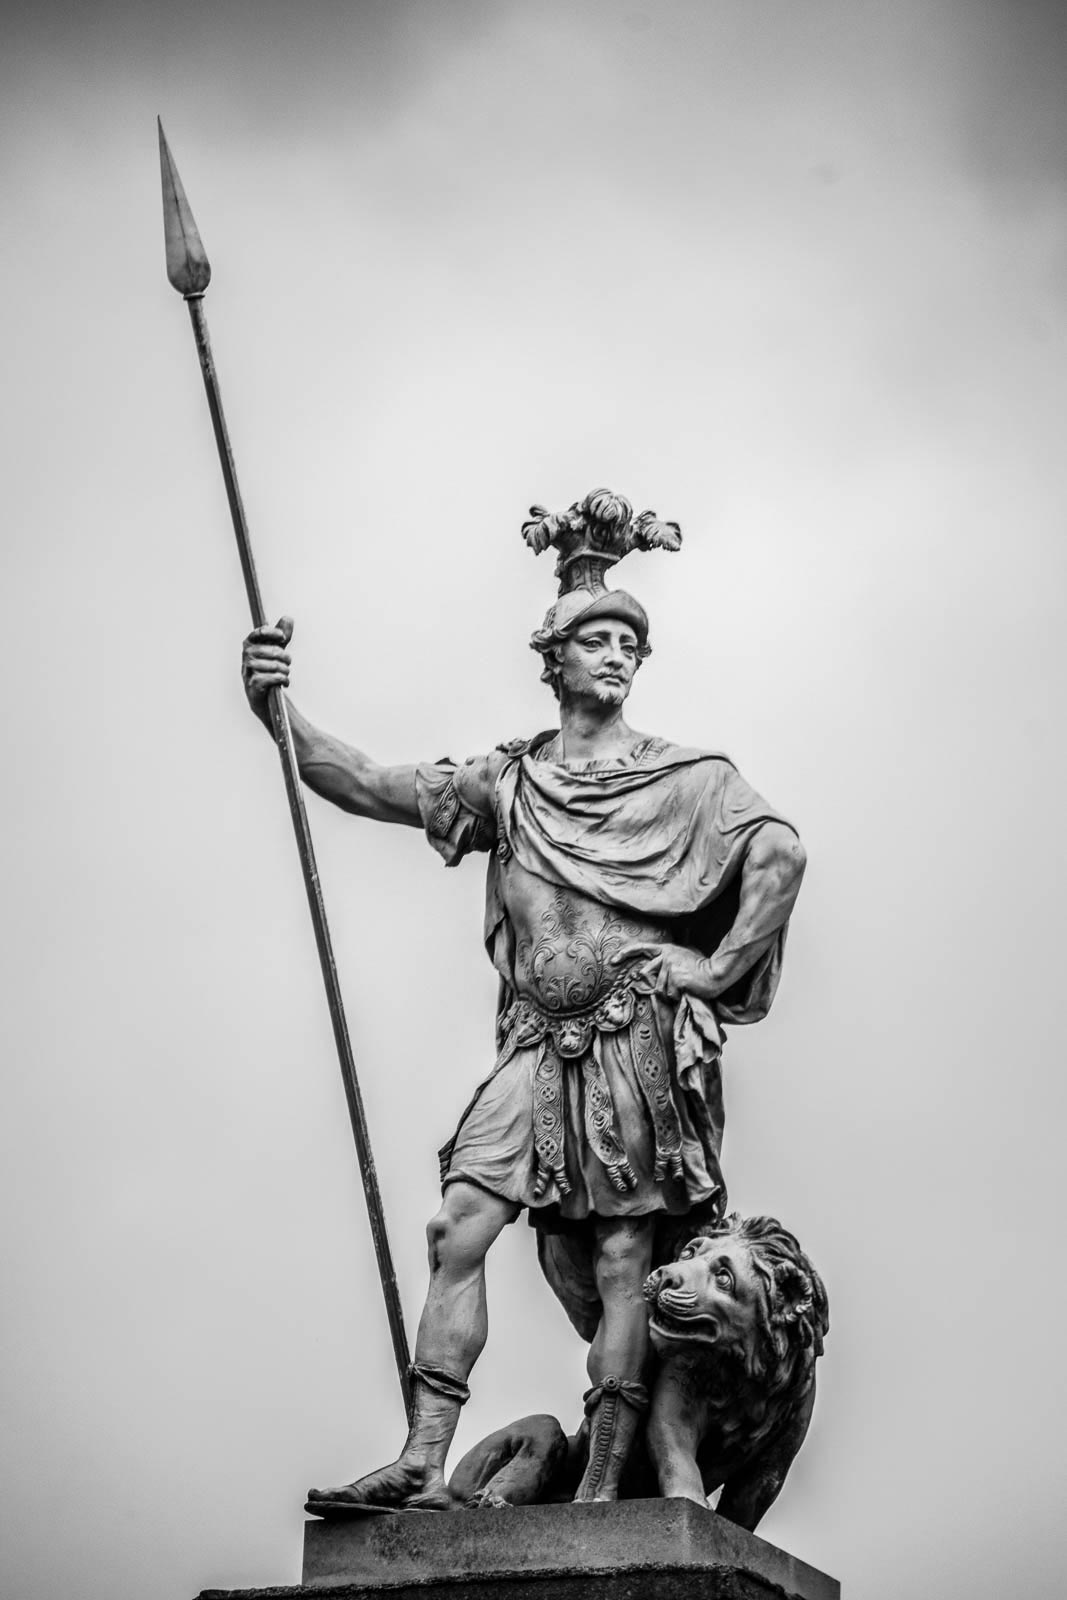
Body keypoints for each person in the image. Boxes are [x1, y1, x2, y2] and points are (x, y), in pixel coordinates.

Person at [239, 490, 806, 1511]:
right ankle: (420, 1453)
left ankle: (600, 1480)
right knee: (460, 1222)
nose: (617, 656)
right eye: (596, 639)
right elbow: (365, 779)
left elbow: (779, 851)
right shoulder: (507, 783)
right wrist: (280, 714)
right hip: (536, 1044)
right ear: (556, 658)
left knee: (628, 1250)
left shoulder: (684, 779)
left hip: (632, 1035)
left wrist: (716, 973)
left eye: (628, 641)